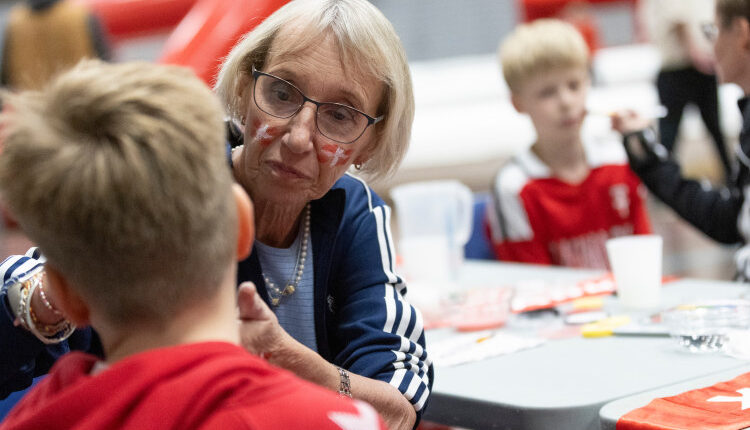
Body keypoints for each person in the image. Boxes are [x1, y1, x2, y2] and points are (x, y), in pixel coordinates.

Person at [0, 1, 431, 428]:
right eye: (281, 92)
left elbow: (399, 407)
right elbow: (33, 290)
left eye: (340, 115)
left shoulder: (352, 212)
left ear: (371, 142)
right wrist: (52, 292)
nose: (299, 138)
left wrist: (289, 359)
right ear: (245, 88)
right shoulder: (180, 181)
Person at [484, 19, 652, 269]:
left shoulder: (619, 161)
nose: (566, 101)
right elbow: (532, 285)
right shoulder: (514, 186)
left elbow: (645, 260)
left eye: (574, 85)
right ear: (518, 103)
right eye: (547, 93)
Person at [612, 0, 750, 281]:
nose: (713, 44)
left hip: (681, 70)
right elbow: (732, 219)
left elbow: (731, 221)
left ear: (742, 34)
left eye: (713, 32)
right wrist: (645, 156)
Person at [638, 0, 732, 181]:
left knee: (715, 129)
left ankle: (731, 175)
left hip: (701, 68)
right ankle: (661, 180)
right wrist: (696, 54)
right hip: (678, 69)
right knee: (670, 133)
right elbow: (678, 21)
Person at [0, 0, 111, 90]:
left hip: (31, 110)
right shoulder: (80, 14)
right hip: (80, 102)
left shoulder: (14, 22)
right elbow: (106, 64)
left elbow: (6, 76)